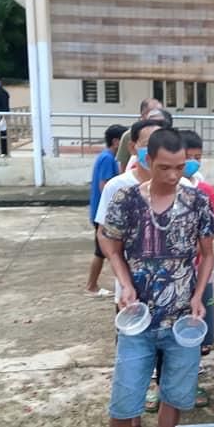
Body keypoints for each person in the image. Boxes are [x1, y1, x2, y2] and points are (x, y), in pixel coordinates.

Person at [82, 129, 214, 427]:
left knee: (175, 397)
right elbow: (108, 241)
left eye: (180, 167)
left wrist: (198, 295)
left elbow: (208, 254)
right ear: (146, 160)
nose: (173, 175)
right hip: (137, 320)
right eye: (164, 168)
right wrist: (124, 282)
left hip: (182, 321)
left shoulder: (196, 200)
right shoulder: (126, 199)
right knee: (124, 400)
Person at [93, 118, 166, 427]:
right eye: (147, 142)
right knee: (132, 366)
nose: (154, 149)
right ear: (134, 146)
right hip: (131, 296)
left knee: (170, 364)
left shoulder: (181, 185)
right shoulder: (118, 187)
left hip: (171, 297)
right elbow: (106, 237)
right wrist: (124, 282)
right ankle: (133, 425)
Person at [180, 130, 214, 362]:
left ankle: (196, 353)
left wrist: (193, 251)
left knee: (198, 310)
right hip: (172, 274)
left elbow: (212, 228)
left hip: (197, 267)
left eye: (197, 157)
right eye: (188, 157)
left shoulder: (204, 190)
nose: (193, 162)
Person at [86, 124, 126, 298]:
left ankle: (93, 284)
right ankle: (91, 286)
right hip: (102, 214)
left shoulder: (107, 157)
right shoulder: (107, 159)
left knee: (103, 252)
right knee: (101, 252)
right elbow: (105, 186)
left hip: (101, 213)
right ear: (116, 142)